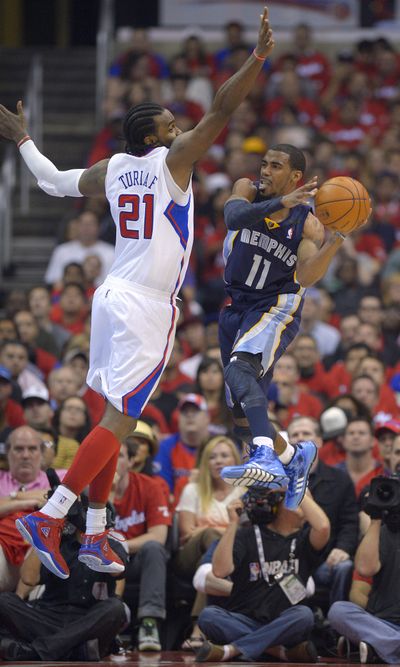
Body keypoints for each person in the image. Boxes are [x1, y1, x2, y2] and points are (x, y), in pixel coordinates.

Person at [0, 8, 276, 581]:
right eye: (172, 124)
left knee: (113, 416)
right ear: (155, 136)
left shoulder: (113, 167)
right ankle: (51, 517)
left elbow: (51, 181)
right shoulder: (173, 160)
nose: (181, 130)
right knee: (122, 420)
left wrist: (24, 139)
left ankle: (97, 533)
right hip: (146, 302)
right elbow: (224, 108)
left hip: (111, 294)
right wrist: (256, 60)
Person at [217, 142, 365, 508]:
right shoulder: (246, 190)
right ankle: (294, 457)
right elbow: (233, 218)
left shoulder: (308, 224)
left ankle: (266, 453)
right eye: (264, 163)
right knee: (239, 417)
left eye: (276, 166)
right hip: (235, 306)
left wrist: (338, 238)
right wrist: (282, 202)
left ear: (296, 176)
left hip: (275, 308)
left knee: (239, 370)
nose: (265, 171)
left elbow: (307, 275)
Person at [195, 488, 330, 662]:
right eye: (299, 498)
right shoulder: (247, 535)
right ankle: (278, 652)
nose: (306, 505)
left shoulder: (304, 541)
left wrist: (297, 485)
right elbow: (220, 571)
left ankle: (232, 650)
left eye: (306, 499)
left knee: (304, 615)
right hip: (244, 620)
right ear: (277, 505)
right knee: (209, 616)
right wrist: (232, 524)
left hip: (285, 622)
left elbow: (323, 526)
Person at [0, 497, 128, 661]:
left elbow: (119, 572)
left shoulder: (110, 547)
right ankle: (74, 651)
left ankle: (38, 651)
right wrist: (48, 532)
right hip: (49, 617)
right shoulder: (58, 543)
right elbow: (28, 579)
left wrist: (97, 535)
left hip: (87, 620)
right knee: (4, 601)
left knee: (115, 608)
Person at [328, 465, 400, 664]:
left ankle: (379, 647)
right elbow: (365, 569)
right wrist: (375, 518)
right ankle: (386, 644)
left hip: (380, 630)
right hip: (382, 623)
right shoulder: (383, 532)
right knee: (339, 611)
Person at [287, 416, 358, 607]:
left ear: (318, 441)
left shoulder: (340, 480)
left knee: (344, 567)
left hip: (325, 560)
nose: (300, 438)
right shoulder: (277, 480)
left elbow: (350, 523)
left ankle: (338, 627)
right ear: (288, 443)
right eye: (295, 434)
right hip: (287, 562)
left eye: (306, 433)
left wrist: (343, 549)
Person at [111, 439, 171, 652]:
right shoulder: (89, 493)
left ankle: (149, 623)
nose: (111, 461)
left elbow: (158, 536)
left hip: (134, 560)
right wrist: (107, 494)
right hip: (102, 559)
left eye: (118, 456)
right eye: (106, 456)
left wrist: (121, 546)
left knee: (154, 549)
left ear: (130, 461)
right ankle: (104, 623)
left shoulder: (149, 486)